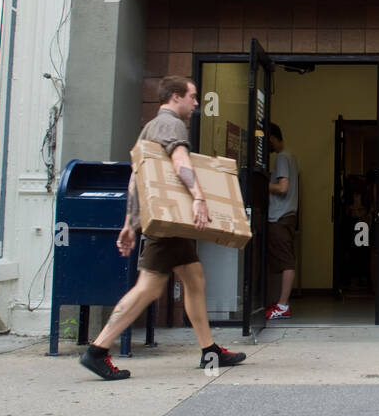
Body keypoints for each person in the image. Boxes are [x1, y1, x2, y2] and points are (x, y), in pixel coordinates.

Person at [79, 75, 245, 380]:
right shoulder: (170, 125)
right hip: (167, 224)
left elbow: (134, 180)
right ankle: (97, 350)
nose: (196, 104)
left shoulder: (149, 129)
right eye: (193, 97)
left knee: (194, 279)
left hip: (167, 224)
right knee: (149, 288)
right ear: (176, 97)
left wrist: (130, 223)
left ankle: (209, 349)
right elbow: (181, 160)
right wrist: (198, 198)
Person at [264, 123, 300, 319]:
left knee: (285, 262)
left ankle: (282, 305)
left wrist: (264, 185)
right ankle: (280, 303)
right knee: (282, 261)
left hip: (279, 215)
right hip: (288, 214)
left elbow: (283, 187)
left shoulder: (282, 157)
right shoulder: (291, 156)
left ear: (271, 138)